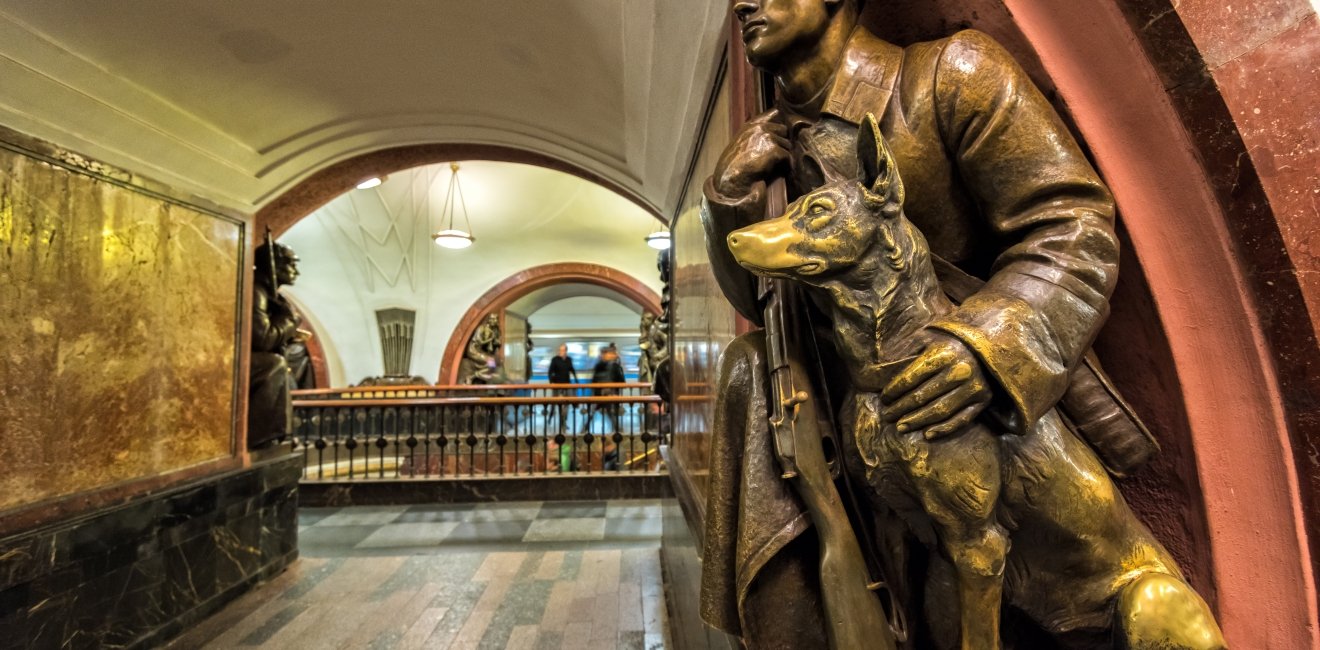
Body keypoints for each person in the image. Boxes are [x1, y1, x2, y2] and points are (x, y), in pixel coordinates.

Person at [698, 0, 1141, 646]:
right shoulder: (773, 145)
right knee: (747, 371)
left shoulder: (951, 76)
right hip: (849, 427)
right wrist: (730, 194)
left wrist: (987, 348)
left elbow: (1073, 226)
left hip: (967, 432)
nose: (743, 3)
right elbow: (761, 297)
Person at [248, 241, 305, 449]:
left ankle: (280, 433)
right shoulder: (256, 291)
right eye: (291, 264)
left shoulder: (268, 292)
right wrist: (288, 320)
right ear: (274, 265)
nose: (296, 271)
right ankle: (265, 437)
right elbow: (262, 338)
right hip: (237, 363)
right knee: (274, 364)